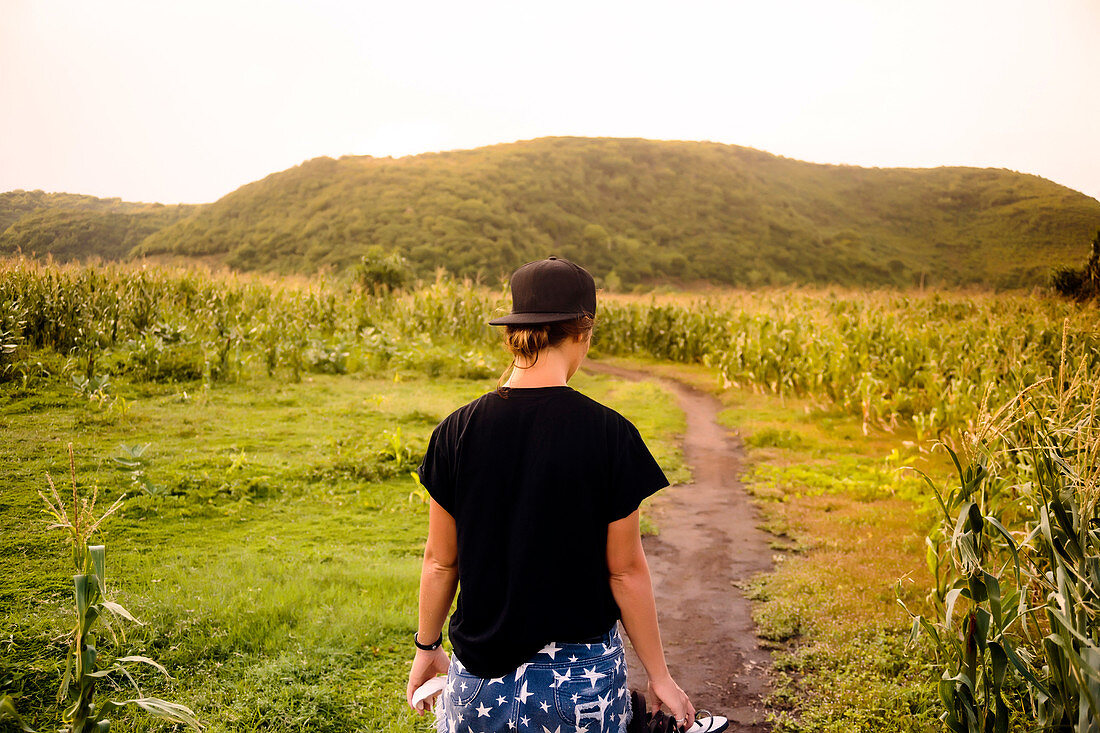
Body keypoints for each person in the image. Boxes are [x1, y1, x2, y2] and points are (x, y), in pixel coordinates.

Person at [406, 256, 695, 733]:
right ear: (583, 332)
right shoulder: (610, 434)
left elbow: (440, 560)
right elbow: (624, 571)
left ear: (514, 334)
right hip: (581, 684)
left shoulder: (456, 430)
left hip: (478, 685)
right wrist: (659, 676)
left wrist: (426, 648)